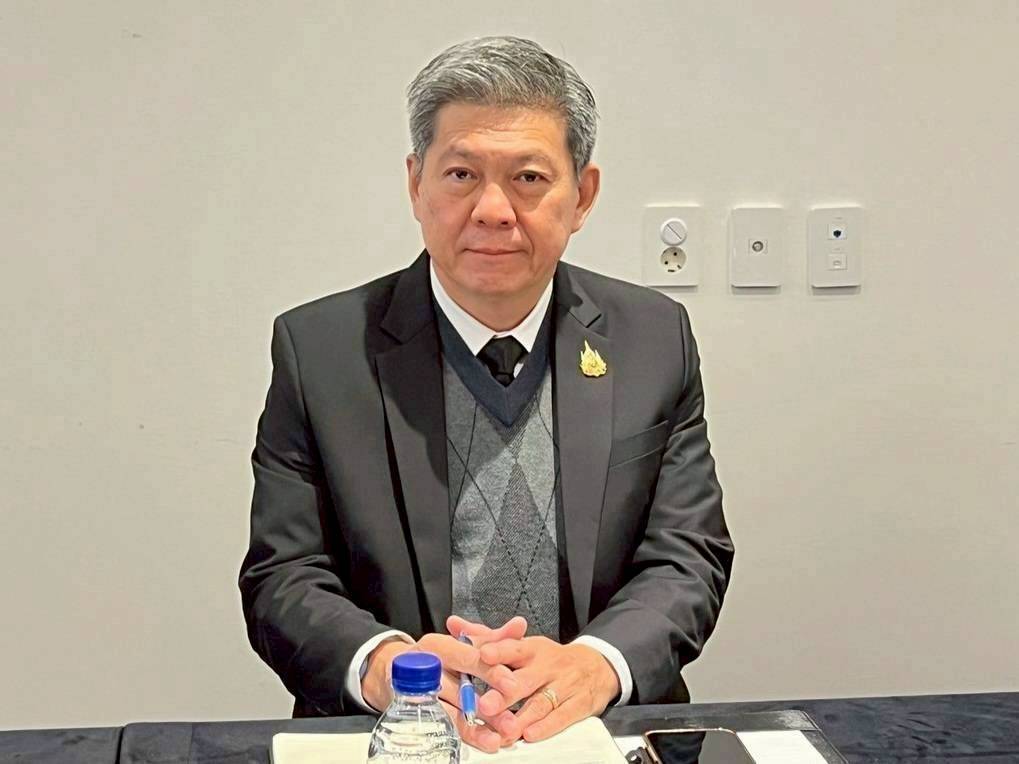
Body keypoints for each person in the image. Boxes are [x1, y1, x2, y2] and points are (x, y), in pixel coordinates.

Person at [239, 35, 734, 753]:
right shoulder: (320, 351)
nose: (494, 209)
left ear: (582, 195)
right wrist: (387, 668)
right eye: (461, 174)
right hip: (400, 735)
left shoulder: (653, 339)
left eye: (529, 177)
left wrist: (597, 665)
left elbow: (687, 554)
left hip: (595, 731)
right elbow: (283, 574)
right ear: (416, 184)